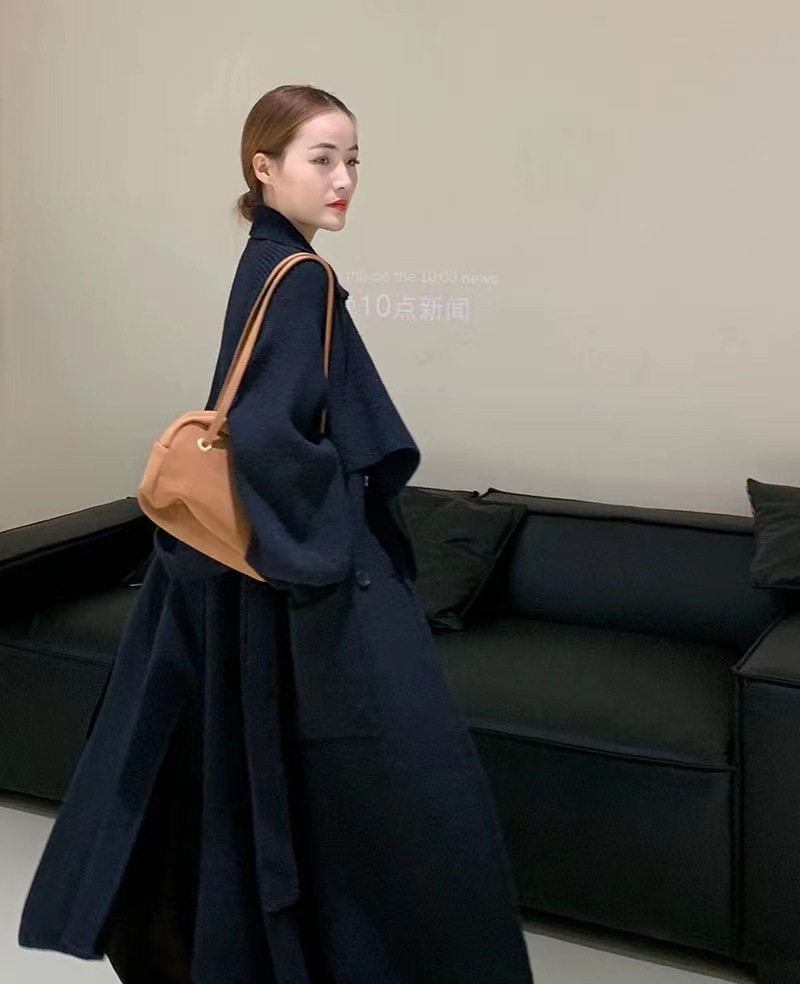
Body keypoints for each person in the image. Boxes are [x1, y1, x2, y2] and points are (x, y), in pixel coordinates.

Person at [18, 83, 535, 983]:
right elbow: (266, 432)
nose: (344, 180)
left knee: (264, 769)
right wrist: (328, 547)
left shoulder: (267, 261)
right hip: (304, 571)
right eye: (321, 159)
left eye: (353, 161)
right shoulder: (300, 277)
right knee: (406, 779)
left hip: (245, 571)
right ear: (264, 167)